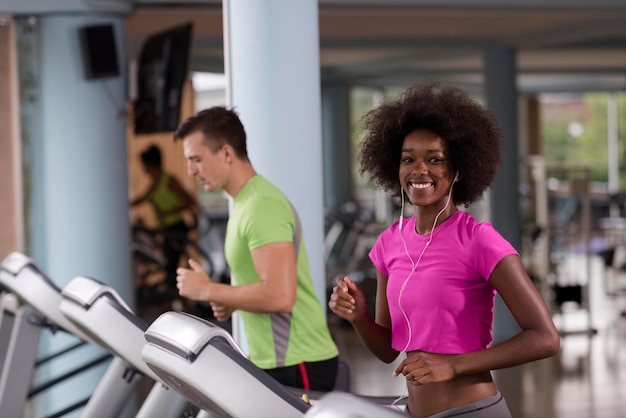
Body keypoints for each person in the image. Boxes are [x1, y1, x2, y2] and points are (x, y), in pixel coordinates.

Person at [329, 82, 560, 417]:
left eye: (434, 159)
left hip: (473, 410)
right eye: (408, 159)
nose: (419, 170)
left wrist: (453, 365)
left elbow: (545, 338)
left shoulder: (479, 240)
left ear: (457, 171)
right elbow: (387, 349)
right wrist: (358, 317)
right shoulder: (389, 242)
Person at [173, 106, 340, 392]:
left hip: (298, 361)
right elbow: (262, 285)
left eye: (196, 160)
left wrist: (207, 290)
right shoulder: (244, 202)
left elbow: (279, 295)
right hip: (276, 360)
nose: (191, 171)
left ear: (226, 153)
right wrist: (229, 299)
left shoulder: (261, 206)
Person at [130, 144, 198, 303]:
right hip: (166, 230)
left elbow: (190, 201)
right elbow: (140, 200)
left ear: (150, 164)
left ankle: (177, 307)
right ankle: (174, 306)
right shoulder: (153, 184)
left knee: (171, 271)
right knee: (168, 270)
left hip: (176, 228)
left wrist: (169, 212)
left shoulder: (169, 180)